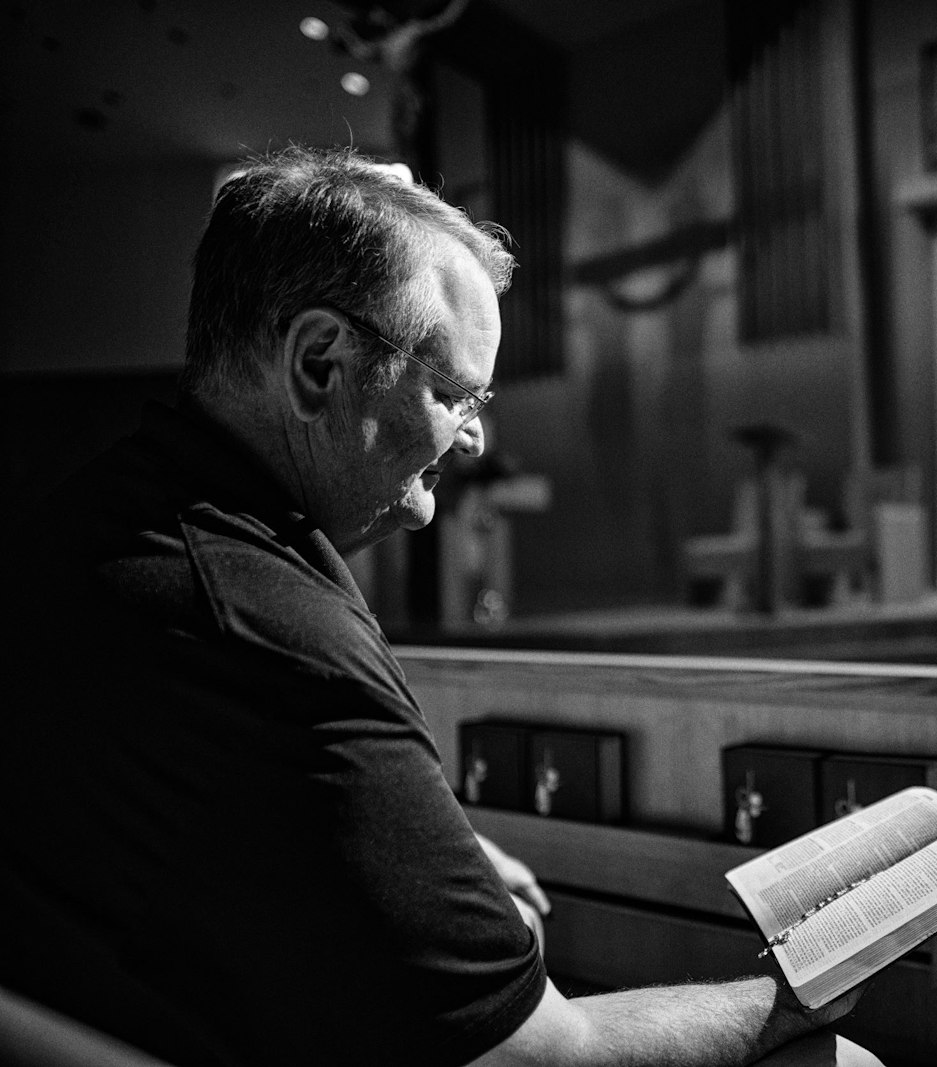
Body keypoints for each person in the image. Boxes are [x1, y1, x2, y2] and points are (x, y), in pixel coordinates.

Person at [0, 146, 879, 1067]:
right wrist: (794, 995)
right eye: (455, 392)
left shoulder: (92, 524)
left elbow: (215, 835)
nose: (476, 435)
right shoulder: (273, 634)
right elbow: (544, 1057)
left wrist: (409, 855)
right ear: (318, 364)